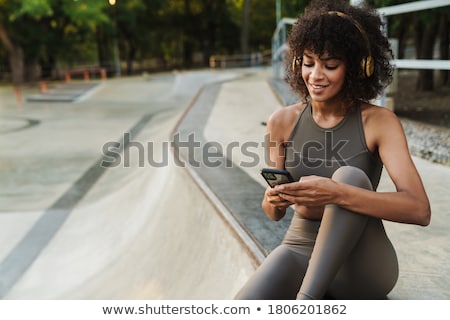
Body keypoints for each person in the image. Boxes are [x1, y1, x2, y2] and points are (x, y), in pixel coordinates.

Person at [234, 0, 430, 300]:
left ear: (356, 67)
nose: (315, 75)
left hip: (361, 261)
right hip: (300, 246)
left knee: (349, 176)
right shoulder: (281, 122)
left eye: (330, 65)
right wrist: (274, 199)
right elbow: (272, 214)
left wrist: (337, 194)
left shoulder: (379, 122)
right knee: (244, 306)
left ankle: (306, 303)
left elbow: (419, 209)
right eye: (309, 62)